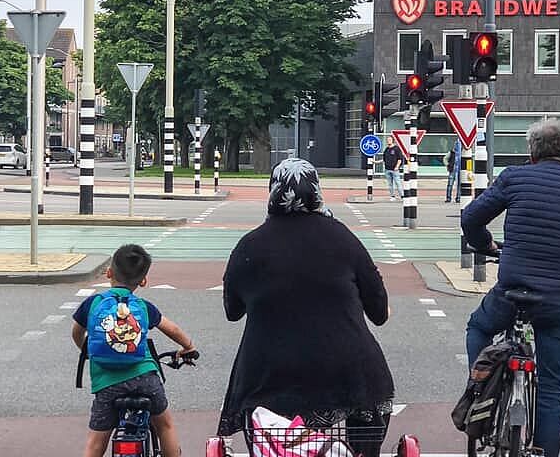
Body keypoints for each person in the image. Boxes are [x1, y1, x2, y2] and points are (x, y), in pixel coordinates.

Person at [218, 158, 394, 457]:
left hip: (269, 378)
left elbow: (232, 311)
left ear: (273, 191)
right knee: (368, 410)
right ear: (316, 191)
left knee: (264, 429)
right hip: (349, 374)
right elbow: (379, 313)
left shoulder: (249, 246)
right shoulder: (344, 239)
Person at [461, 119, 560, 457]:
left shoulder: (514, 179)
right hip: (559, 301)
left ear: (532, 153)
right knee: (551, 388)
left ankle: (480, 386)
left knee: (479, 327)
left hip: (511, 292)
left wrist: (485, 246)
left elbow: (471, 218)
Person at [72, 244, 197, 457]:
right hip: (144, 378)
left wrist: (89, 352)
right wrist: (188, 347)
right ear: (143, 281)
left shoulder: (93, 303)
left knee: (95, 442)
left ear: (109, 273)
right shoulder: (143, 306)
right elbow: (173, 330)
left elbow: (76, 333)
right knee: (165, 425)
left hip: (107, 383)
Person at [382, 135, 403, 201]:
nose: (388, 141)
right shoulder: (386, 149)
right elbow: (384, 159)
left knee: (398, 183)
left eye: (389, 140)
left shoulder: (396, 149)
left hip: (394, 170)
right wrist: (375, 162)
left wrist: (397, 167)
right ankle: (392, 196)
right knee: (390, 184)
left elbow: (400, 159)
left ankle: (402, 196)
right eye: (387, 140)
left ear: (393, 141)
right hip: (387, 169)